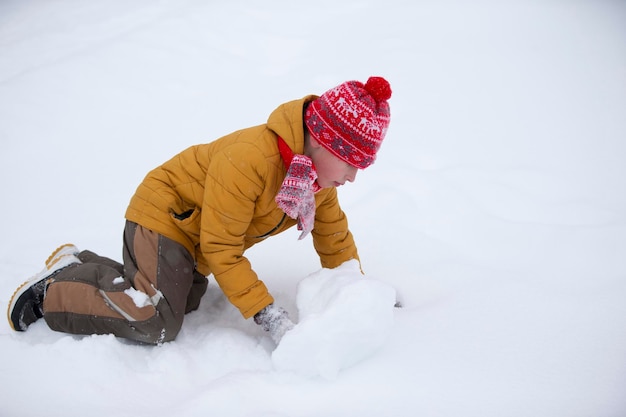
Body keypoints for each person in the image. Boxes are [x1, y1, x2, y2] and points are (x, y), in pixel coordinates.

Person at [7, 76, 392, 345]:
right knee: (156, 319)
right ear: (324, 143)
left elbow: (334, 238)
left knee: (186, 301)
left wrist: (357, 293)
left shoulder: (313, 183)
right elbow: (222, 249)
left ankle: (79, 265)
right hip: (165, 215)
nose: (353, 177)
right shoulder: (250, 159)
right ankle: (53, 291)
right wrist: (269, 316)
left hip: (194, 240)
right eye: (351, 163)